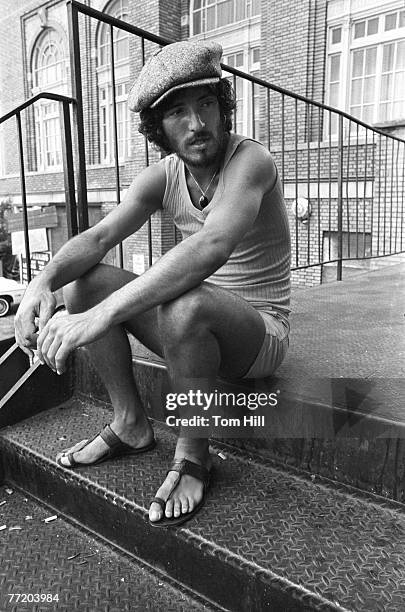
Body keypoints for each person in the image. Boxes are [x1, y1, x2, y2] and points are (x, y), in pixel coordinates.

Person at [14, 40, 291, 527]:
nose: (198, 124)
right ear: (158, 128)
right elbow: (99, 236)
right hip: (191, 335)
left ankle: (193, 453)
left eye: (206, 103)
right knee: (84, 285)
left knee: (183, 305)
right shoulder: (162, 176)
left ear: (223, 106)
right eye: (178, 112)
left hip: (258, 335)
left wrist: (103, 316)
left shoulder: (251, 161)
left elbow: (211, 246)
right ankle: (131, 424)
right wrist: (44, 281)